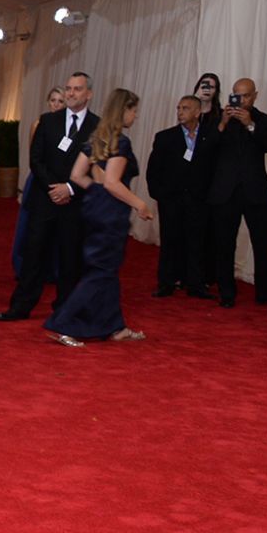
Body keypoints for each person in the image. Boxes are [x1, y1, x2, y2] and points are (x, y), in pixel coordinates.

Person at [45, 88, 152, 345]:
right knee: (101, 272)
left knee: (106, 271)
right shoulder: (120, 142)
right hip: (111, 215)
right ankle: (63, 325)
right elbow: (114, 184)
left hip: (94, 210)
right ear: (123, 110)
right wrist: (140, 204)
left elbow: (77, 176)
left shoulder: (96, 139)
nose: (135, 116)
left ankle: (116, 327)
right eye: (134, 110)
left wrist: (97, 192)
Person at [0, 72, 99, 321]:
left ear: (89, 94)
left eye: (77, 89)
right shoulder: (48, 121)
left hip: (76, 204)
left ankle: (65, 308)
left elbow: (99, 165)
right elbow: (36, 159)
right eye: (68, 88)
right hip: (45, 198)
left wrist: (71, 189)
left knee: (70, 258)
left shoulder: (97, 126)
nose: (71, 93)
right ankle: (20, 307)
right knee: (34, 255)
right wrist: (55, 188)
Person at [206, 77, 267, 308]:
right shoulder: (219, 120)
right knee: (224, 244)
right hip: (225, 191)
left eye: (246, 95)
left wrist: (250, 125)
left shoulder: (266, 120)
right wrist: (222, 124)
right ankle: (227, 293)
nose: (241, 99)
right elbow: (206, 150)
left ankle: (265, 293)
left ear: (255, 95)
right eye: (237, 94)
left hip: (255, 191)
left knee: (265, 244)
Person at [145, 95, 216, 297]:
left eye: (185, 108)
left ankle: (195, 283)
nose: (180, 112)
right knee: (169, 240)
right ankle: (166, 282)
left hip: (198, 200)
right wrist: (160, 194)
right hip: (171, 199)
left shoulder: (209, 136)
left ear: (197, 112)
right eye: (179, 108)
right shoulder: (165, 137)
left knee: (197, 242)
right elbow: (154, 170)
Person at [10, 87, 64, 278]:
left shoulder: (69, 127)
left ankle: (52, 268)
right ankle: (27, 266)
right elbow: (34, 157)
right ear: (48, 102)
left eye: (60, 101)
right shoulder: (39, 124)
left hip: (62, 181)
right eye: (53, 100)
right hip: (39, 179)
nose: (56, 104)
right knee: (31, 225)